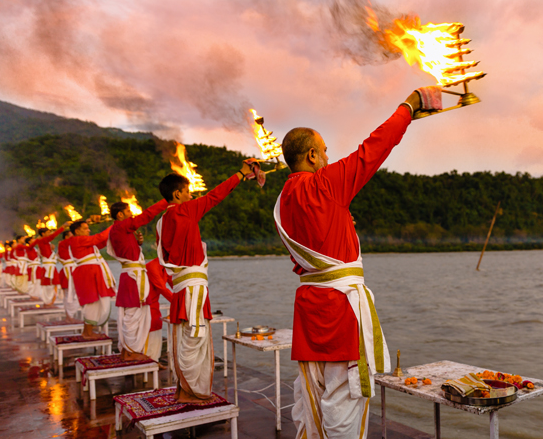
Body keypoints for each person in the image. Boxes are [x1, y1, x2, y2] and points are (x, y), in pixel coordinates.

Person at [275, 89, 426, 438]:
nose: (328, 157)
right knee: (345, 401)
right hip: (339, 311)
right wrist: (409, 107)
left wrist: (341, 222)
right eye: (325, 151)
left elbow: (314, 246)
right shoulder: (325, 184)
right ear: (312, 155)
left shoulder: (283, 200)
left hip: (308, 311)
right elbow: (374, 148)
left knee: (313, 399)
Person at [156, 159, 252, 403]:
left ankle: (183, 389)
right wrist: (240, 173)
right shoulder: (184, 210)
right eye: (188, 192)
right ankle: (192, 392)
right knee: (195, 340)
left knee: (183, 338)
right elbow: (215, 196)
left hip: (181, 287)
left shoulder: (161, 222)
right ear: (177, 194)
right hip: (193, 289)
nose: (191, 196)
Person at [107, 198, 168, 361]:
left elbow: (127, 250)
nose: (131, 214)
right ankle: (130, 351)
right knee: (133, 315)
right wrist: (166, 201)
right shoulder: (121, 226)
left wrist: (136, 243)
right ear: (120, 215)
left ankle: (128, 350)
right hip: (133, 277)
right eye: (128, 211)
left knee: (132, 314)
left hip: (130, 276)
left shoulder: (118, 229)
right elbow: (147, 215)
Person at [69, 220, 115, 339]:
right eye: (85, 228)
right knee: (91, 301)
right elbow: (99, 237)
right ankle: (87, 333)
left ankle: (87, 332)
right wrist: (115, 224)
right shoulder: (78, 239)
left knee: (93, 301)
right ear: (77, 231)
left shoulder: (84, 242)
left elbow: (101, 242)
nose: (88, 230)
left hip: (89, 272)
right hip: (87, 273)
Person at [30, 224, 70, 306]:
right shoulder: (42, 240)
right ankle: (47, 302)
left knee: (53, 284)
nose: (49, 233)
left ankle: (50, 301)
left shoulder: (46, 242)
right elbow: (53, 236)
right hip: (48, 267)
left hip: (51, 266)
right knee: (47, 285)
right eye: (48, 232)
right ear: (43, 234)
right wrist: (63, 227)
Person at [144, 258, 174, 365]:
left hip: (154, 303)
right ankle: (146, 361)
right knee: (150, 327)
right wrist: (179, 303)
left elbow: (174, 283)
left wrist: (187, 297)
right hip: (144, 304)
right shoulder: (152, 266)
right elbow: (162, 288)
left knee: (157, 325)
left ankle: (154, 360)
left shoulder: (166, 267)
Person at [56, 230, 80, 322]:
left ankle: (69, 316)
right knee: (69, 294)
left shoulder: (68, 244)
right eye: (71, 234)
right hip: (68, 271)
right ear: (66, 237)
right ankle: (69, 316)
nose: (73, 236)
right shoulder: (63, 243)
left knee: (73, 293)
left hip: (73, 269)